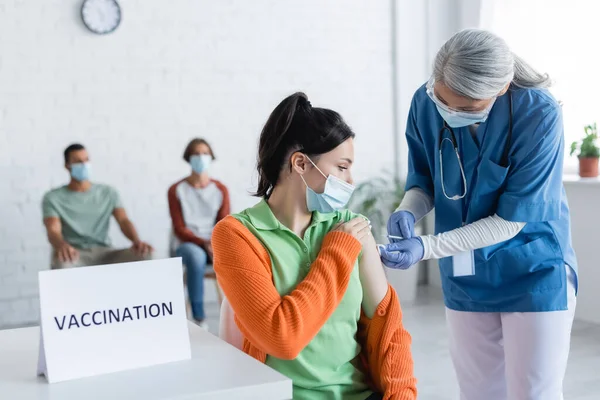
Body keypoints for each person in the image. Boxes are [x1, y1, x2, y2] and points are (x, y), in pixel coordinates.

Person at [380, 29, 577, 400]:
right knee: (478, 392)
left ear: (501, 89)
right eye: (443, 100)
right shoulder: (425, 103)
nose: (450, 112)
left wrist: (425, 247)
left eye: (468, 108)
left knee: (534, 393)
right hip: (466, 272)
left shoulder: (538, 114)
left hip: (532, 269)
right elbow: (424, 178)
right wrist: (409, 209)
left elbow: (512, 218)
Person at [212, 93, 417, 400]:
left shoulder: (351, 224)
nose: (351, 180)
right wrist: (337, 251)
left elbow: (389, 328)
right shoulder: (238, 235)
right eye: (342, 167)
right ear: (300, 163)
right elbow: (281, 338)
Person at [43, 143, 153, 269]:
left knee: (146, 255)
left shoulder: (108, 193)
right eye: (78, 162)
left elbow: (123, 220)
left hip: (105, 253)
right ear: (67, 166)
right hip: (74, 254)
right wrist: (61, 245)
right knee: (62, 264)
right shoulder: (53, 198)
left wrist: (136, 240)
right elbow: (53, 230)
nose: (84, 165)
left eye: (86, 160)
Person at [168, 138, 230, 327]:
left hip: (214, 244)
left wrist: (214, 243)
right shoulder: (176, 190)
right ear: (188, 157)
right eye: (196, 153)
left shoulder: (220, 189)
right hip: (188, 245)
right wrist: (203, 243)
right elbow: (179, 228)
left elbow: (224, 223)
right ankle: (199, 317)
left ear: (211, 157)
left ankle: (238, 320)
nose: (201, 157)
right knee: (196, 257)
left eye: (205, 153)